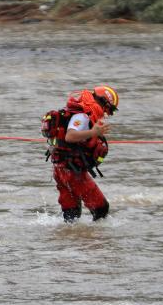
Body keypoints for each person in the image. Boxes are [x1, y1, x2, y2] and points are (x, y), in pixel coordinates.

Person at [41, 85, 119, 223]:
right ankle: (96, 237)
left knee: (71, 215)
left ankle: (69, 236)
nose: (107, 114)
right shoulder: (82, 116)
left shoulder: (75, 111)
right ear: (103, 103)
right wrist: (93, 132)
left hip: (60, 169)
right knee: (101, 208)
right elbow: (70, 136)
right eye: (109, 110)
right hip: (73, 172)